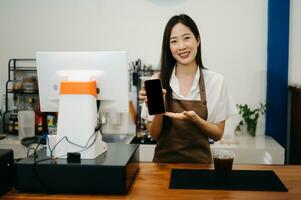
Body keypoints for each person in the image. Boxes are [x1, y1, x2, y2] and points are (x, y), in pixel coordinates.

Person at [140, 14, 237, 163]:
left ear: (197, 40)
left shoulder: (216, 81)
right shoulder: (156, 82)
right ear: (168, 47)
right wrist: (159, 109)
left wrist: (196, 120)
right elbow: (154, 135)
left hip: (201, 168)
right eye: (174, 41)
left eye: (186, 38)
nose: (181, 46)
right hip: (162, 168)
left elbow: (218, 134)